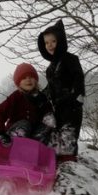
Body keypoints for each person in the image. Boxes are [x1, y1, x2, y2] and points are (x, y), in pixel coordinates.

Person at [37, 19, 85, 162]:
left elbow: (78, 79)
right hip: (57, 109)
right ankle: (57, 164)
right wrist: (39, 96)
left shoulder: (71, 59)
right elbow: (51, 88)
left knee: (68, 139)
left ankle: (70, 165)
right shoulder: (50, 68)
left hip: (71, 108)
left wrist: (76, 97)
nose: (50, 45)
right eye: (46, 43)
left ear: (60, 41)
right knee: (57, 139)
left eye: (53, 41)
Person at [0, 62, 55, 145]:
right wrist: (0, 132)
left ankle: (36, 148)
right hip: (16, 130)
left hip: (34, 132)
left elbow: (48, 112)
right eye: (24, 78)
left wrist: (50, 122)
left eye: (31, 77)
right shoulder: (16, 97)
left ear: (35, 80)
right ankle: (16, 143)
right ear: (19, 82)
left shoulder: (41, 97)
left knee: (44, 128)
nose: (28, 79)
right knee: (25, 124)